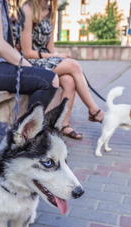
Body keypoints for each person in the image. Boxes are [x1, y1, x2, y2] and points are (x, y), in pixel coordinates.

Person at [17, 0, 105, 139]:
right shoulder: (28, 9)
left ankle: (63, 125)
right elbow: (27, 52)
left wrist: (57, 57)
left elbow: (50, 47)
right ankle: (95, 111)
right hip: (29, 63)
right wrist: (57, 57)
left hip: (44, 60)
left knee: (70, 81)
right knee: (74, 65)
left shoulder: (51, 11)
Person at [0, 0, 59, 113]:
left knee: (50, 76)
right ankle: (29, 129)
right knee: (50, 80)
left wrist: (34, 69)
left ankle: (30, 127)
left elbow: (5, 45)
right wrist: (30, 68)